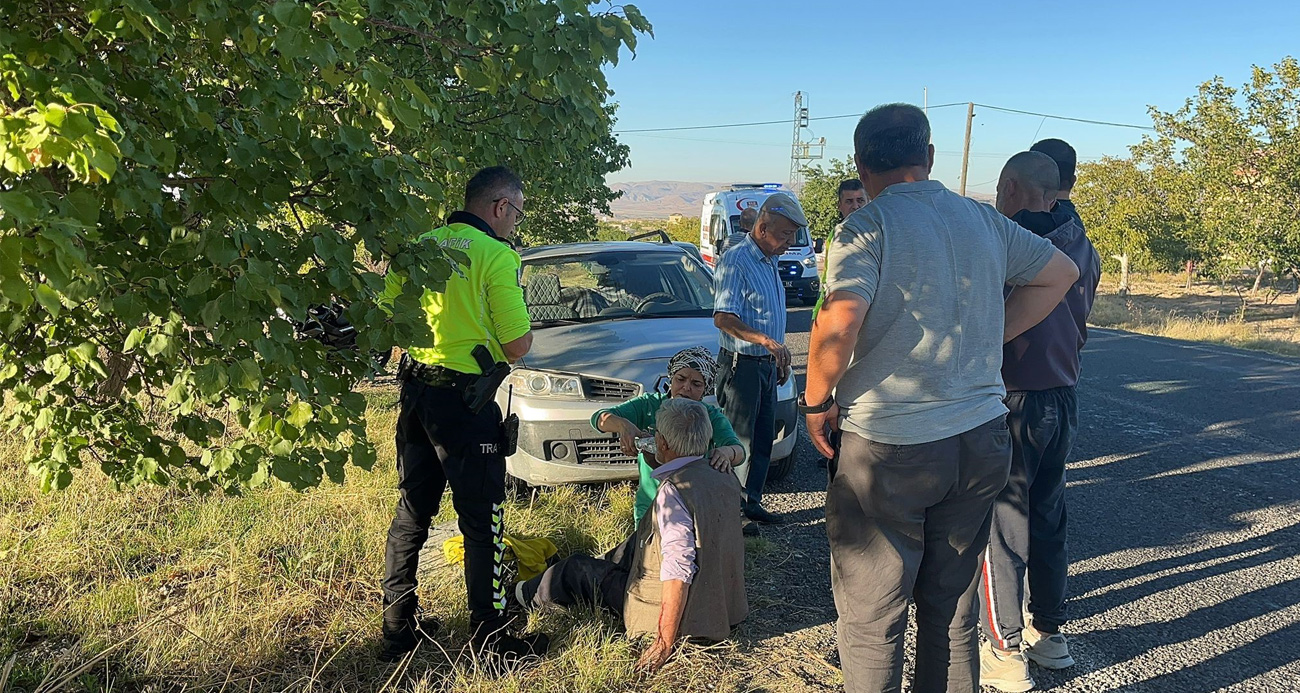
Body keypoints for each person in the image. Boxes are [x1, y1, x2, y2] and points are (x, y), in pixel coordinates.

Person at [802, 104, 1080, 693]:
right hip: (980, 440)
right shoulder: (982, 220)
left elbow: (840, 318)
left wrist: (814, 401)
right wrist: (992, 333)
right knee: (951, 611)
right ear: (928, 158)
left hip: (889, 445)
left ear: (860, 164)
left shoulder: (866, 226)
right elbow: (1058, 274)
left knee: (873, 619)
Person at [380, 166, 549, 663]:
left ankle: (397, 630)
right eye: (516, 213)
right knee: (482, 523)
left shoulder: (419, 248)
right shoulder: (496, 256)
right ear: (500, 207)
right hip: (466, 405)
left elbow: (389, 323)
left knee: (412, 513)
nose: (515, 223)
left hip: (415, 398)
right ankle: (491, 643)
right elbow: (517, 345)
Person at [978, 150, 1100, 691]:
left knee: (1000, 526)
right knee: (1048, 517)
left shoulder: (1008, 243)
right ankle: (1050, 635)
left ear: (1009, 185)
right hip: (1062, 394)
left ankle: (1003, 650)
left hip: (1010, 397)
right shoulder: (1083, 244)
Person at [514, 398, 749, 673]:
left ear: (662, 443)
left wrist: (663, 643)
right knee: (633, 542)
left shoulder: (674, 492)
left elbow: (679, 571)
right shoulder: (722, 471)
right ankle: (590, 569)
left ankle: (518, 595)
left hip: (682, 615)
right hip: (721, 606)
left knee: (573, 568)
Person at [713, 192, 804, 526]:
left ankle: (751, 506)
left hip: (766, 367)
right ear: (763, 227)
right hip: (742, 368)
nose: (788, 243)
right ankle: (729, 515)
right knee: (739, 445)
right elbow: (723, 317)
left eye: (792, 236)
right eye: (784, 235)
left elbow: (768, 314)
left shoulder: (770, 260)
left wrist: (778, 355)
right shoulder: (736, 260)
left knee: (764, 440)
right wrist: (765, 341)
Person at [592, 346, 746, 526]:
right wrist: (623, 425)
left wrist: (727, 452)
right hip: (651, 504)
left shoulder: (711, 416)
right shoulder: (649, 405)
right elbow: (598, 419)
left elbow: (739, 451)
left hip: (694, 504)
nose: (686, 388)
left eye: (696, 384)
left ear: (705, 389)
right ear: (671, 378)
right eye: (680, 379)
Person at [814, 178, 871, 467]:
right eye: (849, 201)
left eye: (860, 200)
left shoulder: (875, 233)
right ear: (839, 205)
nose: (856, 206)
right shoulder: (838, 236)